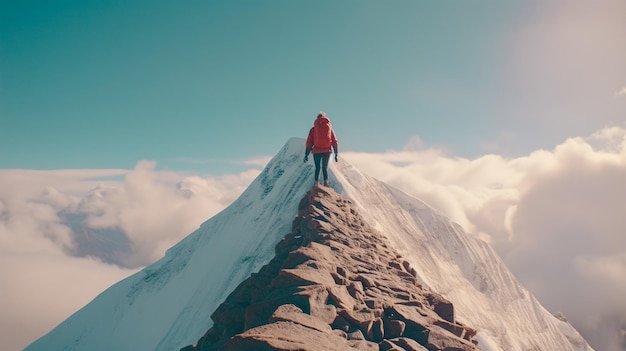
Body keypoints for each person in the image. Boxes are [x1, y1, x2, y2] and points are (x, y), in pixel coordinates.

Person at [304, 111, 339, 186]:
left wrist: (306, 154)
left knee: (317, 167)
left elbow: (309, 142)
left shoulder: (313, 129)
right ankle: (326, 182)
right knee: (324, 167)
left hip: (316, 150)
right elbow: (334, 141)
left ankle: (316, 183)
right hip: (327, 150)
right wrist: (336, 153)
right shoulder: (329, 128)